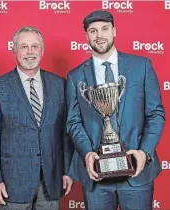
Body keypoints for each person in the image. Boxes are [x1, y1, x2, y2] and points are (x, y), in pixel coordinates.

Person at [66, 10, 165, 210]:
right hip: (97, 174)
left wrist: (144, 153)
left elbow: (156, 114)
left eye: (104, 29)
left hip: (137, 172)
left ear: (114, 31)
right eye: (93, 31)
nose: (99, 35)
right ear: (86, 36)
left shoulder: (141, 66)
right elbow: (73, 122)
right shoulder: (75, 76)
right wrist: (87, 154)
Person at [0, 26, 74, 210]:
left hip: (52, 181)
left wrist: (67, 171)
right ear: (14, 50)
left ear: (42, 50)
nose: (30, 52)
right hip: (12, 182)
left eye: (35, 46)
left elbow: (66, 134)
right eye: (24, 47)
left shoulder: (60, 85)